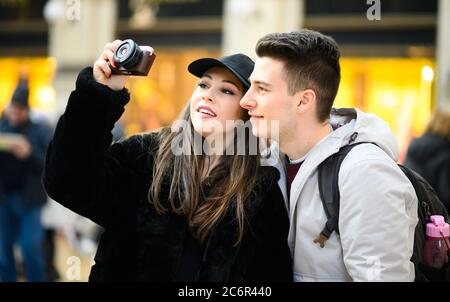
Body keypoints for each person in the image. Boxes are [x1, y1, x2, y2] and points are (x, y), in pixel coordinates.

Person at [43, 40, 292, 281]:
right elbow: (67, 183)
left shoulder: (260, 193)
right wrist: (100, 93)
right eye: (203, 85)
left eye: (226, 90)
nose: (208, 96)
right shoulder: (146, 156)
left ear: (246, 111)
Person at [240, 30, 418, 281]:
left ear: (303, 101)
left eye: (262, 89)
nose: (246, 100)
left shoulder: (365, 173)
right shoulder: (268, 162)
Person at [0, 80, 53, 282]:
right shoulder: (3, 126)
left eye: (18, 111)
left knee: (30, 250)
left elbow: (49, 164)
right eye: (12, 110)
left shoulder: (40, 131)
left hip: (29, 201)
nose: (14, 115)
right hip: (4, 199)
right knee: (3, 254)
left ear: (26, 111)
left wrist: (28, 153)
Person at [405, 108, 450, 212]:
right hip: (437, 216)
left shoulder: (414, 145)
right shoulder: (446, 151)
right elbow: (446, 194)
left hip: (414, 210)